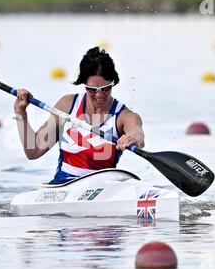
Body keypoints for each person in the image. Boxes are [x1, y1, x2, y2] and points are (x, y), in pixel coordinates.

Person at [14, 47, 144, 184]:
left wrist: (133, 138)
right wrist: (20, 113)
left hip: (103, 190)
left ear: (113, 83)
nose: (99, 95)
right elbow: (33, 151)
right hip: (63, 186)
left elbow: (138, 134)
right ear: (84, 84)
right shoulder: (67, 105)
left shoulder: (125, 116)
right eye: (92, 90)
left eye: (105, 89)